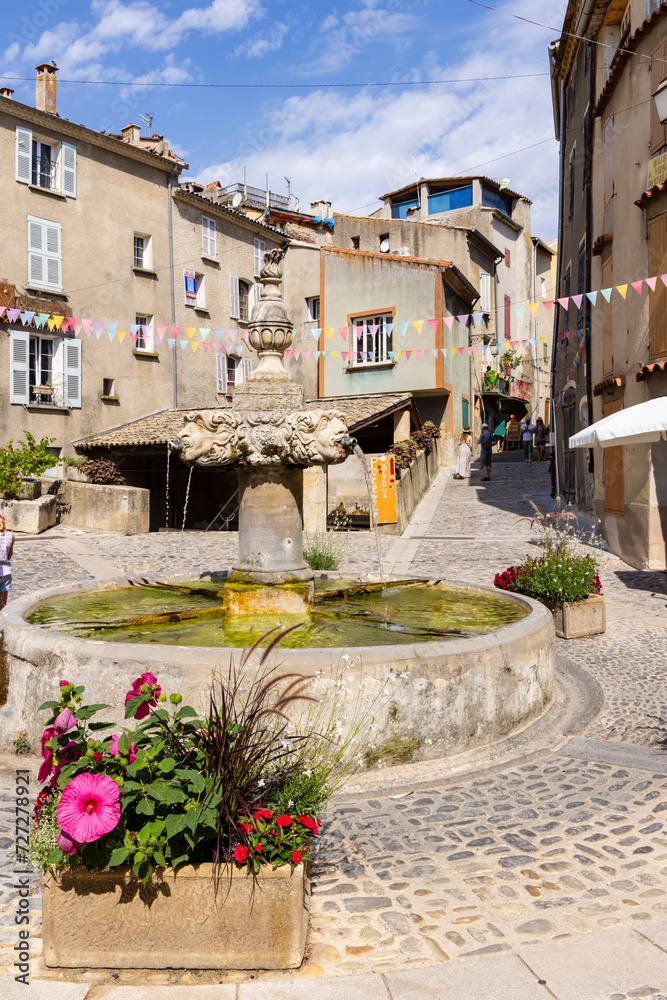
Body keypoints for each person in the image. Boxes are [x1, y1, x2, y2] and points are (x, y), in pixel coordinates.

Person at [0, 512, 14, 610]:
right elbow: (9, 556)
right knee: (3, 602)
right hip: (6, 572)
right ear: (4, 520)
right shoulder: (11, 536)